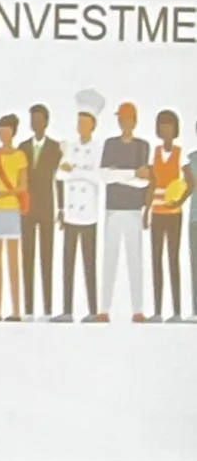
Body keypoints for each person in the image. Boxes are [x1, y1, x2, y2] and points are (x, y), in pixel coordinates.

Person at [100, 101, 148, 321]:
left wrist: (119, 174)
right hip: (112, 209)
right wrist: (131, 174)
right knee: (109, 259)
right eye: (120, 118)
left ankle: (137, 310)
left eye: (127, 118)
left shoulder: (142, 146)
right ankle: (104, 309)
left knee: (134, 260)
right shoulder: (110, 144)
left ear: (134, 121)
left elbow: (144, 181)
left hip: (133, 210)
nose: (123, 122)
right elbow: (104, 176)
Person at [58, 101, 104, 319]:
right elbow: (59, 175)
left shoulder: (97, 148)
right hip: (71, 211)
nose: (81, 127)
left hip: (89, 214)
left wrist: (74, 169)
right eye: (79, 122)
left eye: (85, 123)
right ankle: (67, 310)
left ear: (93, 126)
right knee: (67, 264)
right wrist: (73, 170)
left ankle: (93, 310)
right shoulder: (69, 146)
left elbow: (96, 177)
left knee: (89, 264)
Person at [0, 114, 29, 320]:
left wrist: (6, 193)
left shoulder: (20, 156)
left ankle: (16, 309)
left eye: (7, 130)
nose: (3, 134)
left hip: (11, 209)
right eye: (0, 130)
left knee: (13, 260)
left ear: (13, 132)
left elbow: (23, 186)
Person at [22, 104, 62, 316]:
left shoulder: (56, 148)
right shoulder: (22, 147)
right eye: (32, 120)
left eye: (39, 120)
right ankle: (28, 309)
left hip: (47, 207)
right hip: (26, 209)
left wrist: (62, 207)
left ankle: (47, 308)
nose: (36, 124)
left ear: (46, 122)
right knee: (27, 257)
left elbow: (60, 180)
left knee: (47, 257)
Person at [148, 109, 186, 321]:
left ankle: (177, 311)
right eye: (162, 126)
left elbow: (190, 181)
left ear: (175, 129)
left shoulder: (180, 154)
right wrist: (146, 210)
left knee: (172, 259)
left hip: (174, 215)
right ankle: (157, 311)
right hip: (157, 212)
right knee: (156, 260)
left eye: (169, 126)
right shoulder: (155, 153)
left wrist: (180, 200)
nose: (166, 130)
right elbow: (152, 183)